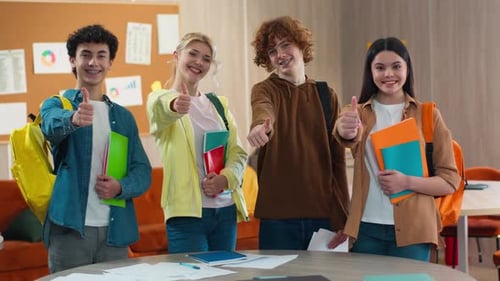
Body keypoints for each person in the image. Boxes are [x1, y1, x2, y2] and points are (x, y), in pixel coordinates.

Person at [333, 37, 461, 261]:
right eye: (380, 68)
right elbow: (346, 135)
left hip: (414, 230)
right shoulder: (357, 114)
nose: (388, 74)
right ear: (370, 72)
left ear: (407, 69)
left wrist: (406, 182)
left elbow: (450, 181)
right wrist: (347, 130)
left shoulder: (428, 115)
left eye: (396, 66)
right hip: (366, 229)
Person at [40, 24, 152, 273]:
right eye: (85, 54)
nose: (93, 62)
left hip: (116, 230)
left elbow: (143, 171)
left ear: (110, 62)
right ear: (72, 60)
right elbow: (48, 125)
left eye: (101, 55)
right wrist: (73, 119)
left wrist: (121, 186)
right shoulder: (57, 104)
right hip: (70, 228)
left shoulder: (124, 117)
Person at [247, 16, 350, 250]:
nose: (280, 54)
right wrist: (260, 127)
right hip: (277, 221)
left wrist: (344, 217)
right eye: (272, 51)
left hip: (323, 218)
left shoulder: (326, 94)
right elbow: (263, 109)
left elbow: (338, 161)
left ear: (301, 46)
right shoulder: (264, 90)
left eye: (285, 45)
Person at [146, 32, 248, 254]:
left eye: (206, 58)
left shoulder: (218, 105)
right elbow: (164, 108)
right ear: (176, 55)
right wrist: (176, 105)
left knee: (225, 276)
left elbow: (238, 153)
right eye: (193, 54)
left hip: (225, 210)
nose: (199, 62)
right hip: (186, 217)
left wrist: (225, 179)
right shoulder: (159, 99)